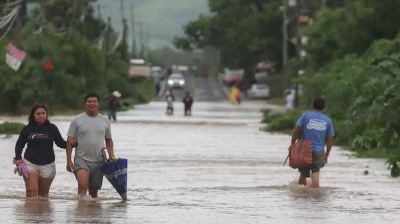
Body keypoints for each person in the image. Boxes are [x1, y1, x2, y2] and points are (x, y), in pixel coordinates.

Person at [66, 92, 116, 198]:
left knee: (94, 191)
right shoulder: (76, 120)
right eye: (89, 101)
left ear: (98, 104)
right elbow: (70, 142)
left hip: (99, 161)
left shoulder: (105, 120)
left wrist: (112, 155)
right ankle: (80, 212)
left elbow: (109, 140)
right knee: (83, 186)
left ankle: (92, 213)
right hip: (81, 160)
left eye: (94, 101)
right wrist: (69, 160)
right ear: (85, 104)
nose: (92, 103)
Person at [14, 104, 68, 198]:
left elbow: (60, 143)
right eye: (38, 113)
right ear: (33, 115)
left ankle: (39, 212)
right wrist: (18, 157)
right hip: (30, 163)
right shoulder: (27, 129)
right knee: (31, 191)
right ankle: (30, 212)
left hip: (48, 165)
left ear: (46, 115)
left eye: (43, 113)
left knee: (43, 195)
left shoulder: (52, 128)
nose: (41, 115)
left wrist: (74, 144)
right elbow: (19, 144)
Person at [289, 97, 334, 188]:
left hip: (305, 149)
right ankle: (315, 197)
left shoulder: (306, 116)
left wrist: (293, 143)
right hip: (319, 151)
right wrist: (327, 154)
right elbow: (330, 139)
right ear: (324, 108)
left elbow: (296, 130)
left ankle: (302, 196)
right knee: (315, 172)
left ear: (312, 106)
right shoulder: (328, 121)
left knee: (303, 174)